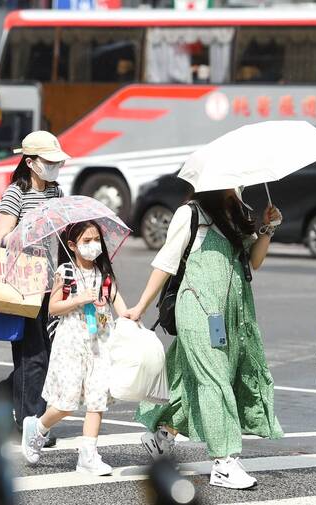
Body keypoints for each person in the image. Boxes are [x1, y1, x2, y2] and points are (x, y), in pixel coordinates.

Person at [124, 188, 284, 490]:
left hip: (231, 315)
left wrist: (267, 229)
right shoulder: (191, 213)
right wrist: (140, 307)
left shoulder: (236, 212)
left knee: (189, 377)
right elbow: (166, 263)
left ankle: (162, 436)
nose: (238, 186)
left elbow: (254, 260)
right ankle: (224, 462)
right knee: (215, 380)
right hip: (198, 309)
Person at [0, 131, 69, 444]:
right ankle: (32, 422)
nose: (55, 166)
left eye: (57, 161)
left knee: (42, 353)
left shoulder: (56, 191)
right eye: (49, 161)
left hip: (50, 283)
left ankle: (1, 394)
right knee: (34, 356)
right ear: (31, 162)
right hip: (23, 282)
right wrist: (29, 227)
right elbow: (2, 237)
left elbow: (59, 236)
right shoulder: (15, 193)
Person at [21, 221, 128, 475]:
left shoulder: (105, 275)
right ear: (72, 245)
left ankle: (88, 455)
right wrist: (79, 298)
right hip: (71, 342)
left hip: (100, 341)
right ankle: (37, 428)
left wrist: (133, 319)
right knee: (66, 403)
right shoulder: (65, 272)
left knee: (97, 399)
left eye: (96, 240)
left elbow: (121, 308)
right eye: (87, 241)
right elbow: (53, 307)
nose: (94, 245)